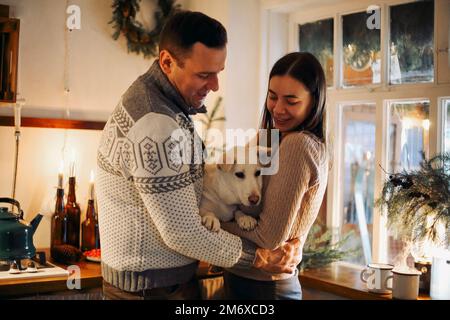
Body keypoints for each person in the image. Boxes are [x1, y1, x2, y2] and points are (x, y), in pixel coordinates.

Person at [96, 10, 301, 300]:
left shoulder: (165, 106)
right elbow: (181, 232)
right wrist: (259, 258)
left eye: (218, 72)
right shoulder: (156, 123)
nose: (215, 86)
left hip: (159, 285)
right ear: (167, 62)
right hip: (151, 291)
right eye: (204, 74)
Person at [221, 52, 329, 300]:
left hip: (264, 289)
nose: (278, 109)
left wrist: (212, 225)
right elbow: (226, 182)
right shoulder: (272, 139)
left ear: (314, 101)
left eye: (291, 101)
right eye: (272, 97)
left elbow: (268, 238)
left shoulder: (297, 145)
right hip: (249, 281)